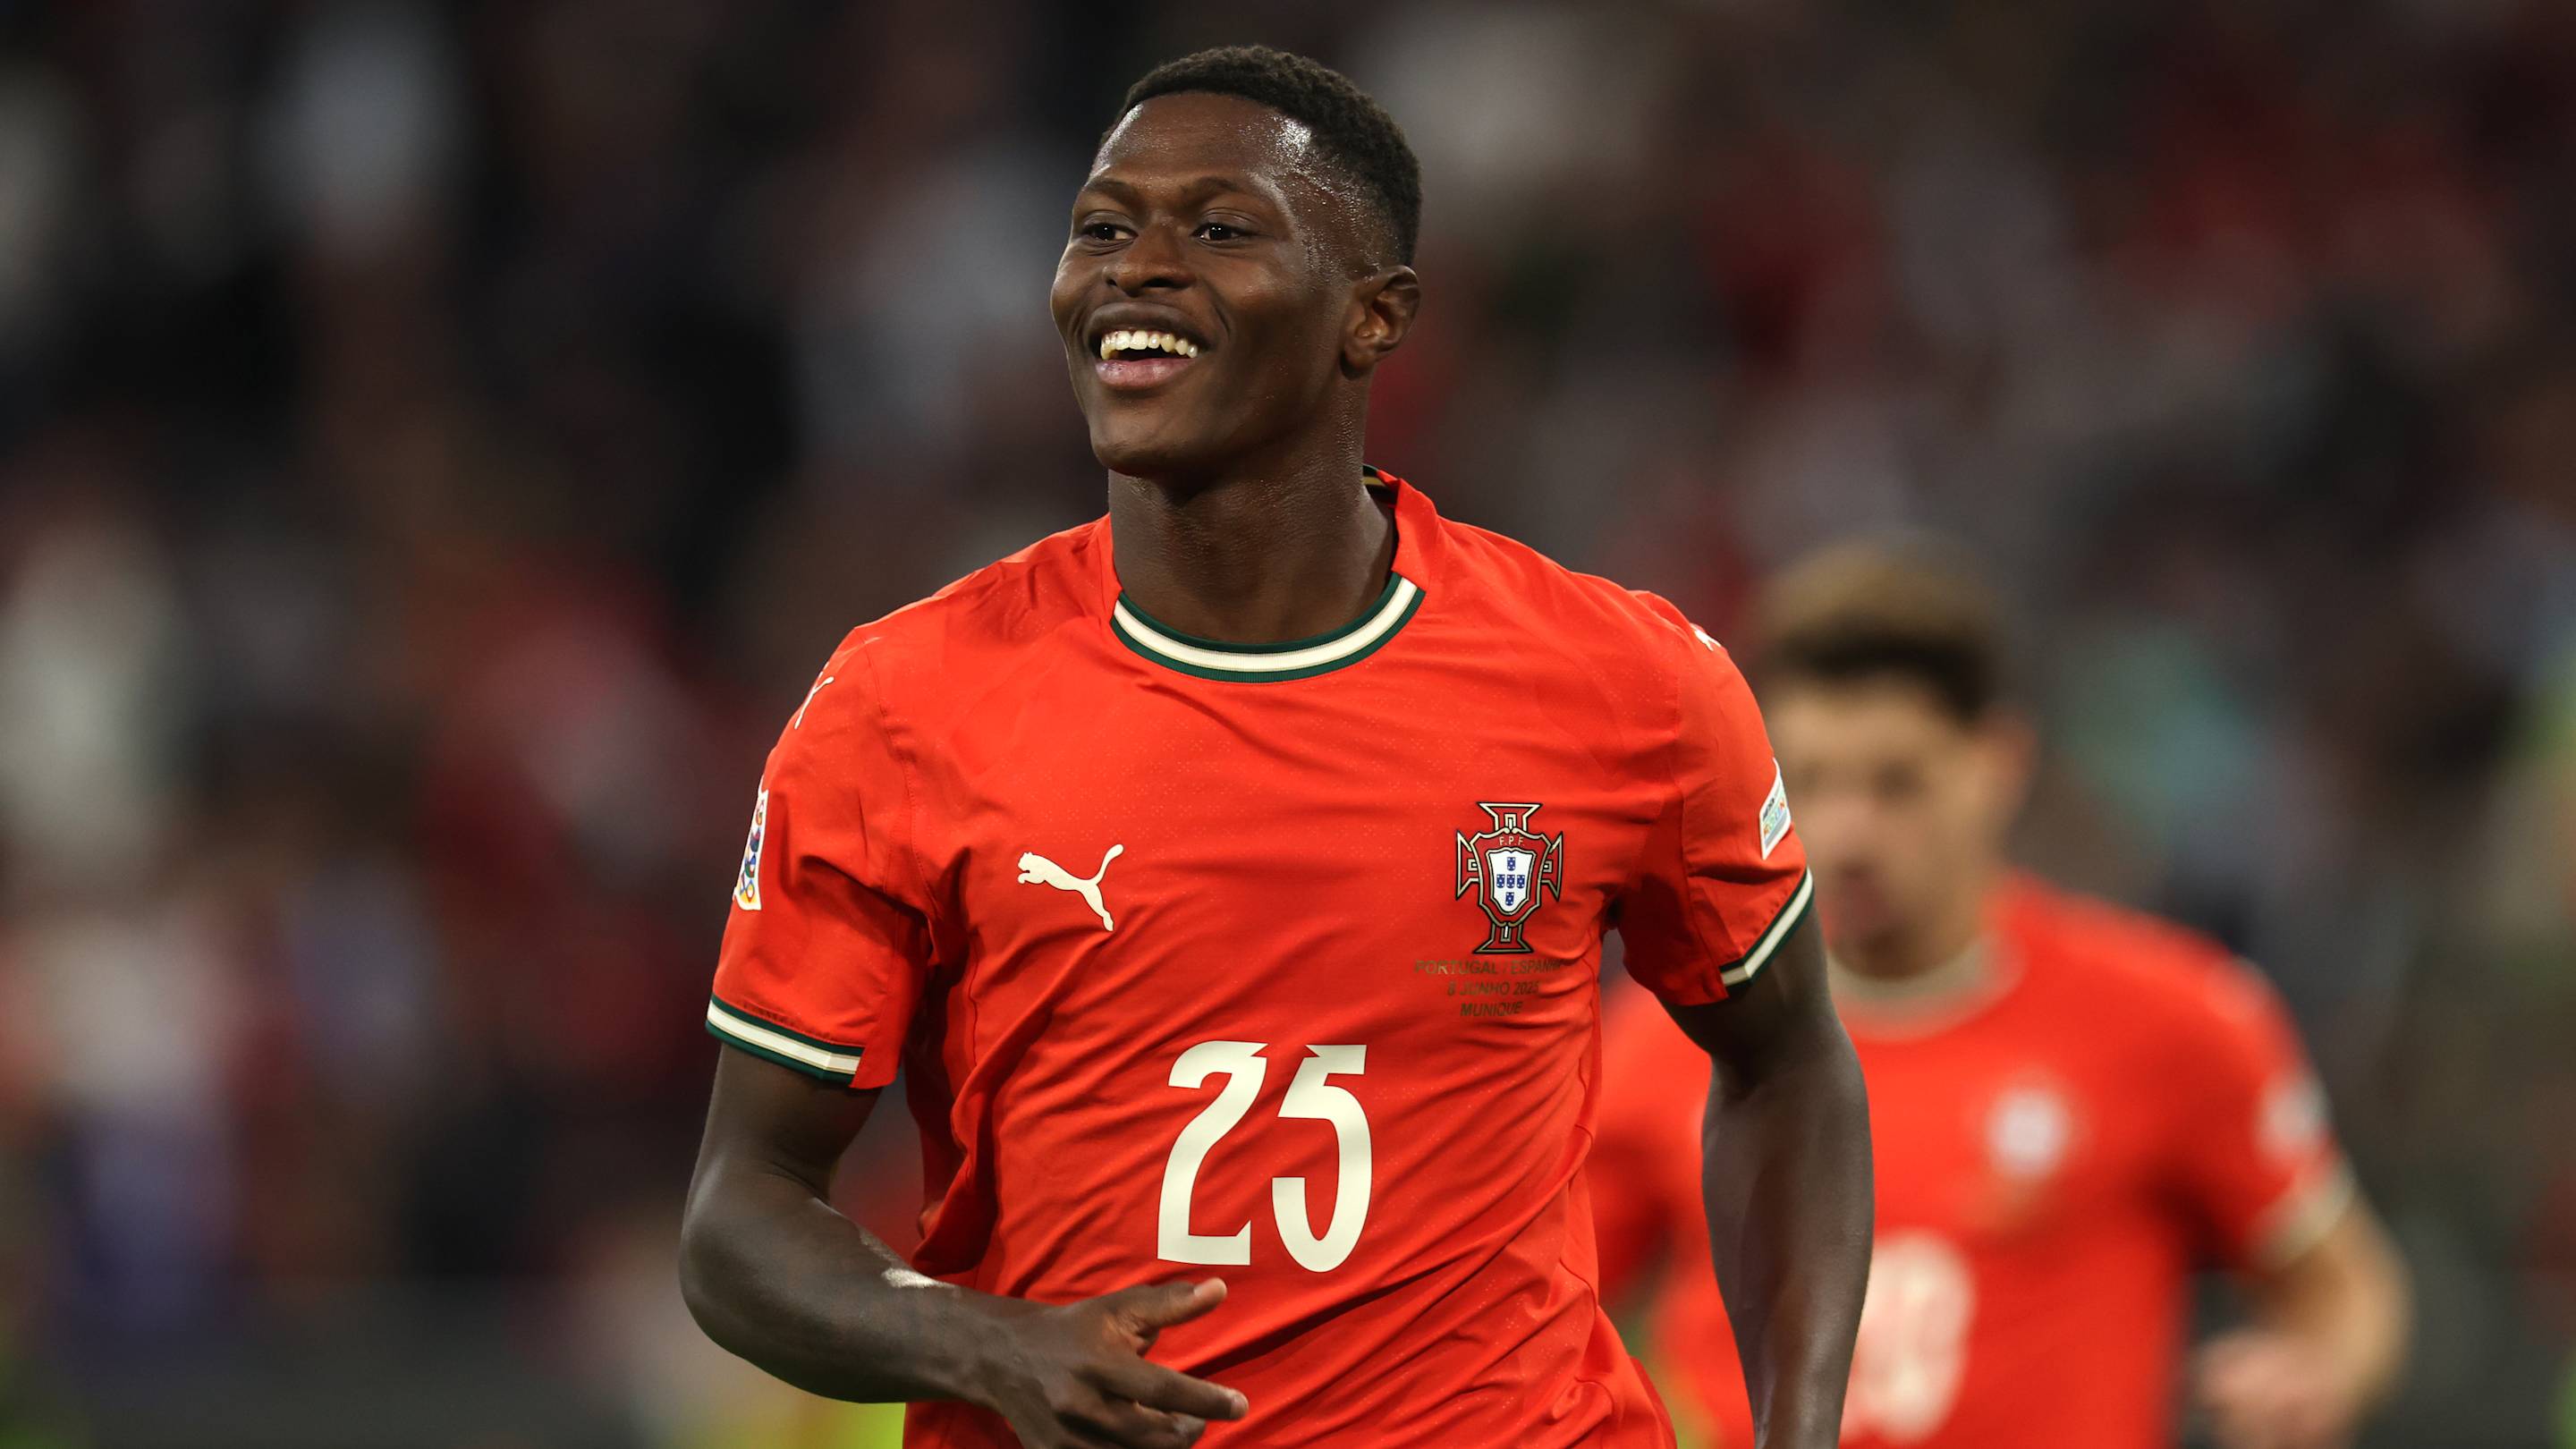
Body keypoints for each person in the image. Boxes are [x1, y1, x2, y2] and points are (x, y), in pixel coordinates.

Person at [675, 45, 1872, 1449]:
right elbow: (741, 1213)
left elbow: (1788, 1060)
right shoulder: (902, 702)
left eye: (1220, 228)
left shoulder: (1625, 682)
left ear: (1376, 315)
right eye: (1102, 228)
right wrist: (984, 1343)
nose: (1137, 268)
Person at [1589, 542, 2411, 1449]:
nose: (1851, 833)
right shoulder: (1674, 1032)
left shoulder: (2176, 1017)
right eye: (1811, 781)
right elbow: (1555, 1301)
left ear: (1999, 763)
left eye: (1897, 783)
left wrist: (2319, 1375)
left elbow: (2346, 1293)